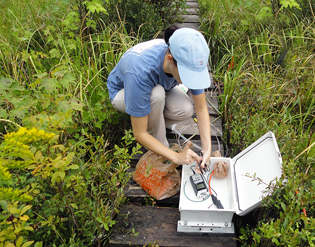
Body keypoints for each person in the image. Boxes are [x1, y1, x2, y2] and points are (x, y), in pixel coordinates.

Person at [107, 25, 212, 170]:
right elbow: (139, 133)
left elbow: (200, 108)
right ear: (170, 59)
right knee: (156, 95)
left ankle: (152, 121)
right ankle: (159, 142)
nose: (191, 80)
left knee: (186, 108)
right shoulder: (140, 71)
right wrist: (175, 156)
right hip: (123, 92)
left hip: (158, 88)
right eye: (187, 74)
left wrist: (207, 149)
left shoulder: (190, 57)